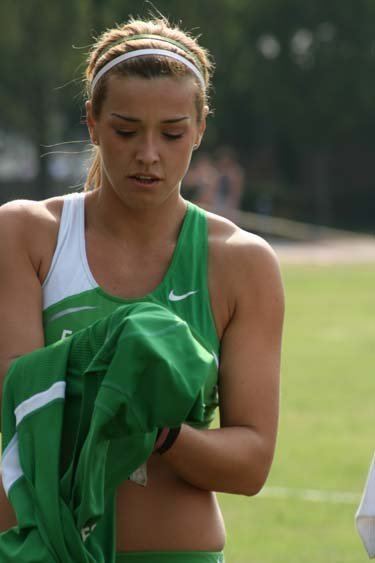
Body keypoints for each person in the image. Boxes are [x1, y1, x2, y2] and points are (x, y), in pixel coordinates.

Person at [0, 15, 284, 563]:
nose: (148, 153)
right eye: (125, 131)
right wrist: (117, 357)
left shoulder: (242, 262)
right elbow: (16, 401)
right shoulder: (24, 234)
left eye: (173, 132)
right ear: (92, 123)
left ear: (200, 128)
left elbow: (251, 462)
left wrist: (159, 432)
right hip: (41, 549)